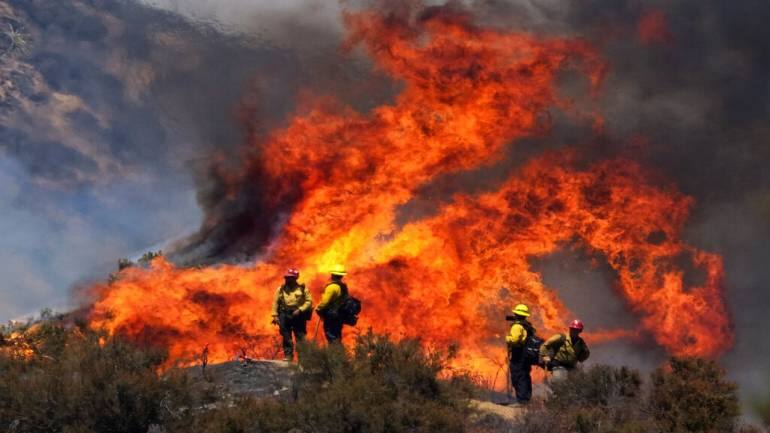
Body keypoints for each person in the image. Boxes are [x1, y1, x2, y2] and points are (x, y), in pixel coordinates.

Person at [271, 268, 312, 361]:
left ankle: (302, 358)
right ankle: (288, 356)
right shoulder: (281, 289)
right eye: (286, 277)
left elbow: (309, 301)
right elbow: (275, 302)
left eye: (290, 278)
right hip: (284, 314)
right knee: (286, 336)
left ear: (295, 278)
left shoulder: (303, 289)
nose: (287, 279)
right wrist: (275, 315)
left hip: (298, 315)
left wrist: (300, 309)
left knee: (300, 337)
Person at [506, 303, 536, 405]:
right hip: (526, 355)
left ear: (516, 314)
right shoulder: (528, 326)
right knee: (525, 376)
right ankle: (526, 400)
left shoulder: (517, 326)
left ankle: (522, 401)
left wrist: (507, 338)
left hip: (518, 355)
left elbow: (514, 340)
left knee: (518, 376)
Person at [315, 264, 349, 343]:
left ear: (332, 275)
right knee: (337, 337)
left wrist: (318, 308)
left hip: (331, 315)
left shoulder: (332, 287)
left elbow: (325, 302)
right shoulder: (343, 287)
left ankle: (335, 353)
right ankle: (339, 354)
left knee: (331, 336)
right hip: (339, 315)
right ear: (341, 276)